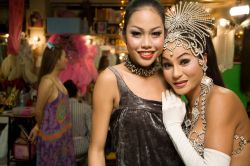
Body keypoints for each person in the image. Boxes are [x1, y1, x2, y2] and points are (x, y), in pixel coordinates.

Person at [88, 0, 184, 165]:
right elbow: (96, 150)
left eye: (155, 34)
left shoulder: (171, 76)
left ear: (165, 35)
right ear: (123, 35)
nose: (146, 44)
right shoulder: (110, 79)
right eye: (137, 34)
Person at [161, 1, 250, 166]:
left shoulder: (221, 100)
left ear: (204, 58)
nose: (176, 73)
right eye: (167, 64)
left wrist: (173, 126)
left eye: (184, 61)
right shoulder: (187, 105)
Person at [28, 42, 76, 166]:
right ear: (57, 60)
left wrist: (37, 127)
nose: (67, 59)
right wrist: (41, 127)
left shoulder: (57, 80)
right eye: (64, 57)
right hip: (52, 141)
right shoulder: (47, 82)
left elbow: (50, 110)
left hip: (62, 138)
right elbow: (38, 110)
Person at [63, 80, 91, 161]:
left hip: (65, 148)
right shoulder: (86, 108)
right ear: (76, 92)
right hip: (83, 147)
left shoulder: (59, 109)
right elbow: (91, 131)